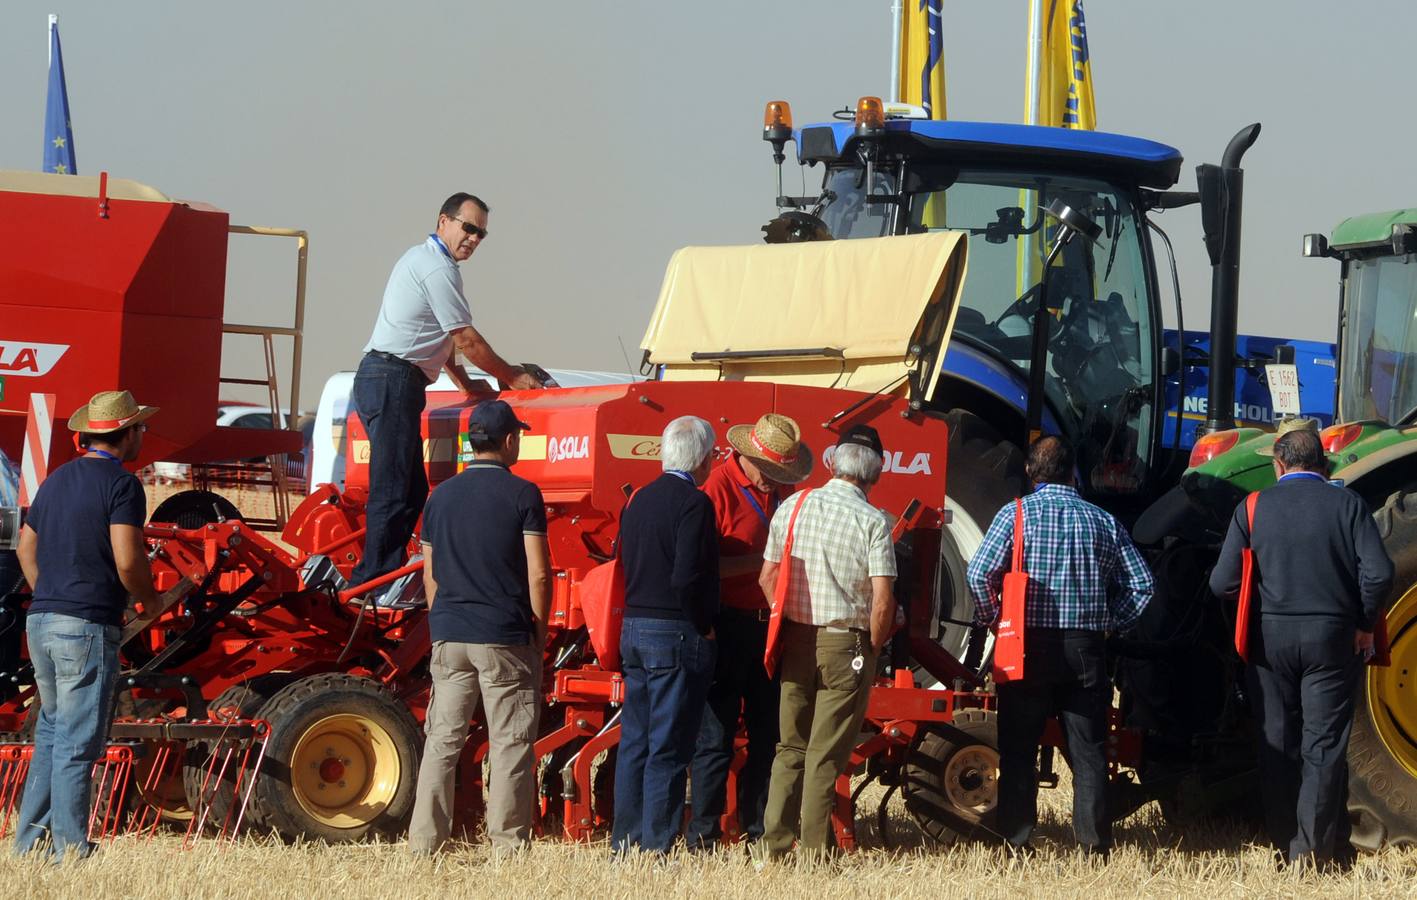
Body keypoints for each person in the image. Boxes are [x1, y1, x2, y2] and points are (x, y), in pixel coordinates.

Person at [1209, 425, 1393, 867]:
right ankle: (1310, 854)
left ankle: (1282, 840)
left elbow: (1222, 583)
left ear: (1278, 465)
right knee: (1323, 746)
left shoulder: (1252, 507)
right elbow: (1381, 573)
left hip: (1269, 641)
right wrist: (1364, 622)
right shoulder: (1348, 505)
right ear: (1322, 464)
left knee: (1277, 741)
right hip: (1331, 639)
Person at [350, 193, 547, 597]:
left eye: (481, 234)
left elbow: (441, 336)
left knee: (408, 487)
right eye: (469, 228)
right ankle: (371, 585)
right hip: (392, 378)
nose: (474, 239)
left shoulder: (425, 261)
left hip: (393, 378)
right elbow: (465, 337)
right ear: (444, 221)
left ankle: (382, 574)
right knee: (395, 486)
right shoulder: (436, 268)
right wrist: (510, 376)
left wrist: (463, 383)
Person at [966, 435, 1152, 859]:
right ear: (1074, 474)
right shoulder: (1103, 521)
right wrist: (1108, 624)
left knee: (1018, 750)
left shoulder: (1014, 516)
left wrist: (998, 619)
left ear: (1031, 473)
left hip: (1026, 645)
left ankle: (1016, 843)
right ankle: (1093, 847)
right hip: (1085, 649)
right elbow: (1142, 584)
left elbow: (978, 574)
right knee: (1088, 754)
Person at [13, 390, 160, 861]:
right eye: (142, 428)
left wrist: (51, 596)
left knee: (52, 733)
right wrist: (150, 600)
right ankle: (71, 850)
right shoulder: (123, 486)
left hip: (42, 621)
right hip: (86, 625)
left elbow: (25, 550)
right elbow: (126, 558)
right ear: (129, 433)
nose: (144, 435)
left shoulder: (56, 479)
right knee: (78, 740)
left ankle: (27, 844)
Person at [408, 400, 550, 857]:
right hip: (503, 635)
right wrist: (540, 629)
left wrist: (441, 619)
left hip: (449, 632)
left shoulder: (440, 497)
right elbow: (539, 574)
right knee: (509, 743)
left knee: (442, 742)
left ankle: (424, 842)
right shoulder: (523, 494)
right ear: (509, 440)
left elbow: (430, 572)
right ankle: (507, 847)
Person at [758, 425, 896, 861]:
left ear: (833, 461)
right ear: (875, 472)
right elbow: (883, 602)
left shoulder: (794, 505)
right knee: (824, 756)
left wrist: (793, 618)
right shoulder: (875, 521)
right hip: (846, 645)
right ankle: (814, 854)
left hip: (795, 637)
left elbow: (767, 577)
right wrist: (872, 647)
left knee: (789, 748)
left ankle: (774, 846)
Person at [687, 414, 812, 850]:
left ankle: (758, 831)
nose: (775, 482)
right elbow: (703, 568)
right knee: (715, 737)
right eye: (771, 472)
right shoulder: (715, 490)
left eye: (783, 475)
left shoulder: (780, 492)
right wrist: (764, 563)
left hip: (771, 628)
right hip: (728, 625)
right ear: (748, 456)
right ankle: (703, 834)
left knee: (769, 737)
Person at [612, 416, 719, 856]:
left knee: (634, 741)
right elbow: (687, 576)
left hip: (633, 626)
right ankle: (657, 846)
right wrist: (705, 623)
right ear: (703, 459)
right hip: (674, 629)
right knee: (670, 745)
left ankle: (626, 842)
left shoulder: (638, 500)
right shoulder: (694, 504)